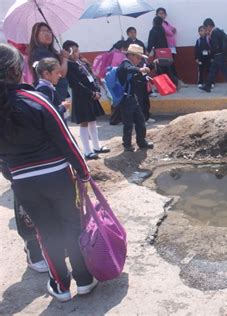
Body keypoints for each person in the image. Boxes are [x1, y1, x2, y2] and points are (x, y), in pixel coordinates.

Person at [0, 43, 97, 301]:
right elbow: (66, 140)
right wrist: (84, 172)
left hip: (23, 184)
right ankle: (85, 280)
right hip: (56, 177)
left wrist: (13, 176)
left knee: (46, 233)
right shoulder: (36, 99)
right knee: (71, 227)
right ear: (16, 71)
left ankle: (61, 286)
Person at [63, 40, 109, 160]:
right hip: (82, 97)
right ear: (67, 52)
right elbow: (76, 84)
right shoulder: (69, 66)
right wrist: (91, 93)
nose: (76, 53)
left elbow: (92, 76)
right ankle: (87, 151)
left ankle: (96, 146)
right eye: (73, 51)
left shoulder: (81, 62)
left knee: (93, 121)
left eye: (77, 50)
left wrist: (97, 90)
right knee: (84, 123)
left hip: (92, 95)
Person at [0, 160, 48, 273]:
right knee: (27, 215)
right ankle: (34, 253)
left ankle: (53, 246)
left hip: (44, 163)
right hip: (17, 166)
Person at [117, 44, 154, 152]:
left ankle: (141, 142)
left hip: (132, 97)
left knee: (140, 121)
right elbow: (129, 69)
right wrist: (141, 69)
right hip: (125, 99)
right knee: (128, 124)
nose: (139, 60)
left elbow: (136, 80)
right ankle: (127, 145)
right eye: (138, 57)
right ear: (131, 55)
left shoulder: (132, 66)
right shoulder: (125, 64)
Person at [28, 22, 70, 101]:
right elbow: (61, 73)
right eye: (44, 31)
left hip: (55, 92)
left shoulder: (49, 52)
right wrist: (65, 59)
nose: (48, 34)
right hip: (51, 93)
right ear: (36, 36)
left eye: (49, 31)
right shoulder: (41, 52)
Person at [199, 18, 227, 94]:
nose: (205, 29)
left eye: (205, 27)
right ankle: (207, 86)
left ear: (208, 26)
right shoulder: (218, 31)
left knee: (226, 72)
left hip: (219, 55)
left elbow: (216, 46)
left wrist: (210, 51)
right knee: (213, 70)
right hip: (220, 55)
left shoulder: (214, 33)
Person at [156, 8, 183, 87]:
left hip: (172, 47)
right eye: (160, 13)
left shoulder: (166, 23)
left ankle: (176, 82)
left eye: (163, 13)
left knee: (172, 65)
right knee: (168, 66)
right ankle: (174, 83)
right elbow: (169, 32)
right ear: (157, 15)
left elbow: (174, 29)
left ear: (165, 15)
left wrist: (171, 31)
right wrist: (171, 32)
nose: (161, 15)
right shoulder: (159, 24)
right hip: (165, 48)